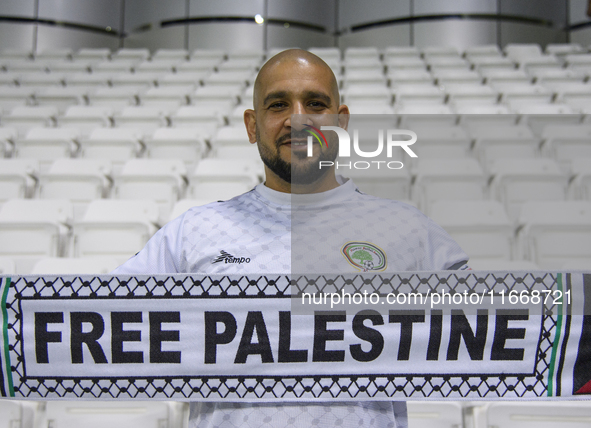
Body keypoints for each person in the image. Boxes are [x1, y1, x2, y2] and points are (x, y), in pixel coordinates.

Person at [112, 49, 469, 428]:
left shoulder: (407, 230)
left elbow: (500, 334)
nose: (298, 119)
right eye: (278, 104)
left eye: (315, 103)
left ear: (341, 122)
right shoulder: (192, 232)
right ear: (252, 126)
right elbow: (95, 324)